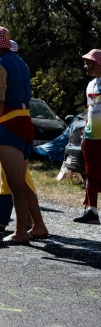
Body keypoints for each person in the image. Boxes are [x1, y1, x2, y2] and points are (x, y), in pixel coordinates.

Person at [0, 26, 48, 243]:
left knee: (15, 183)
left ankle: (20, 232)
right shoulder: (21, 63)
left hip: (9, 124)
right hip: (26, 122)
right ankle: (38, 226)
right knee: (22, 182)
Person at [74, 49, 101, 223]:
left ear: (97, 62)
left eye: (88, 62)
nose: (85, 66)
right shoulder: (90, 85)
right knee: (90, 172)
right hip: (91, 135)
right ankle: (92, 210)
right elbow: (89, 110)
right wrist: (84, 132)